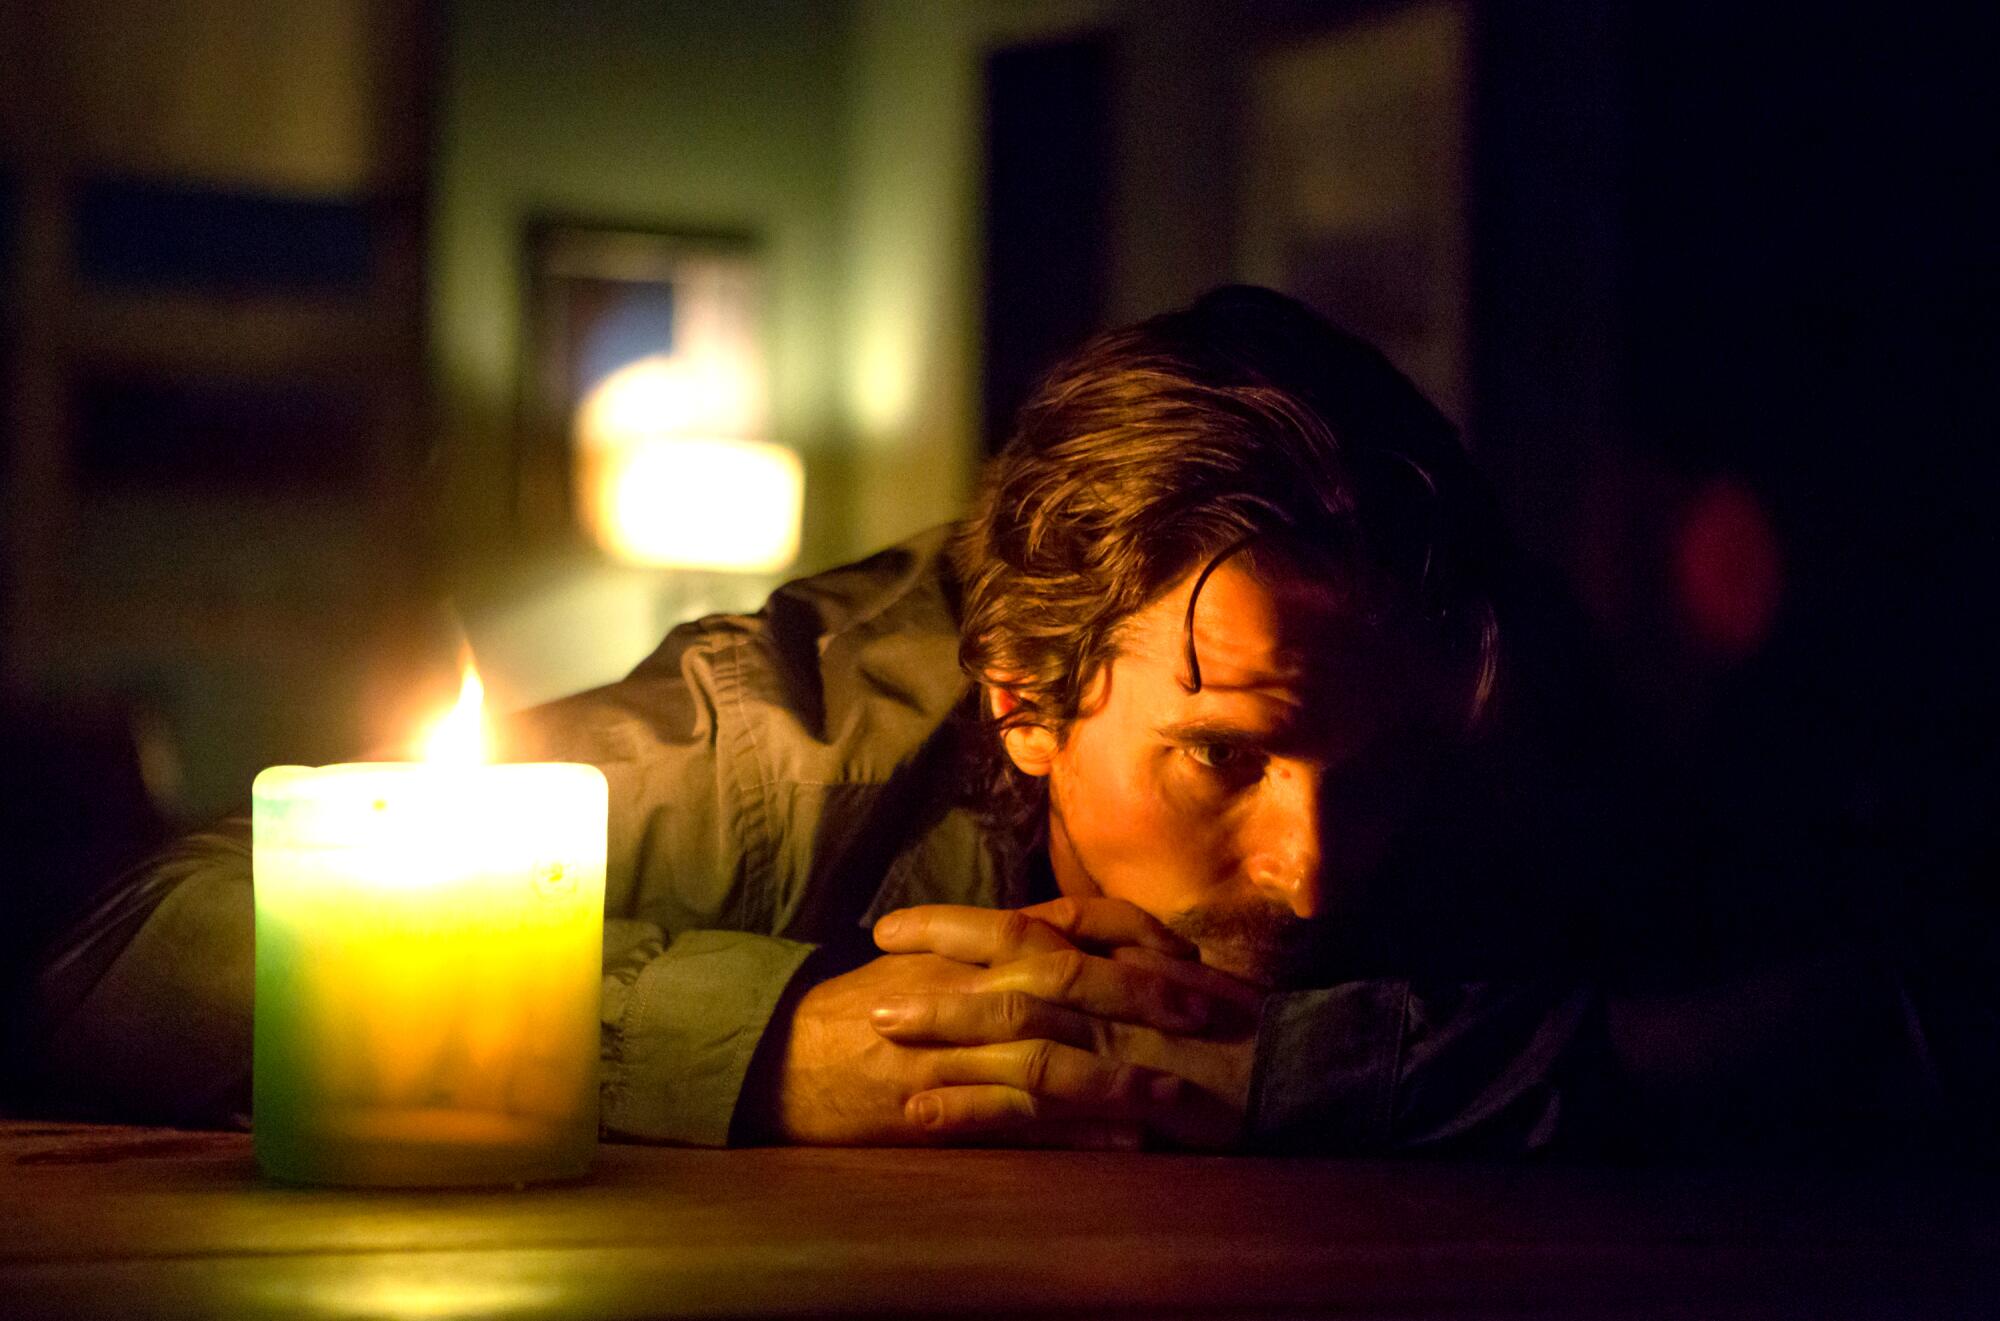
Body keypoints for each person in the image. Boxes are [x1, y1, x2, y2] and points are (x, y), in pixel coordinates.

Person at [20, 288, 1949, 1158]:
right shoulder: (785, 738)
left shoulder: (1478, 687)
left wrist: (1315, 1073)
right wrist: (770, 1046)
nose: (1318, 862)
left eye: (1381, 769)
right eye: (1230, 754)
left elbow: (1881, 1021)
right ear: (1027, 694)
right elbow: (122, 958)